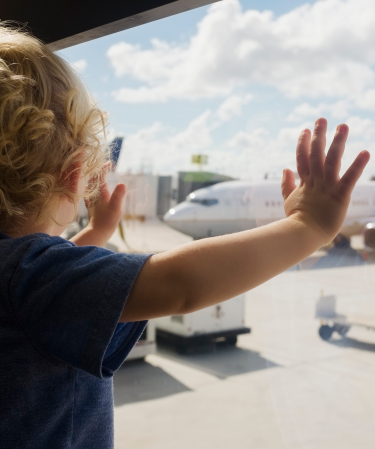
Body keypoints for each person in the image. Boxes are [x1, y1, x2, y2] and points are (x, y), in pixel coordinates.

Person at [0, 25, 370, 449]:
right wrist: (309, 227)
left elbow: (48, 293)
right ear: (73, 175)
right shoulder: (28, 274)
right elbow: (179, 285)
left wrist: (97, 232)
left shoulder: (22, 274)